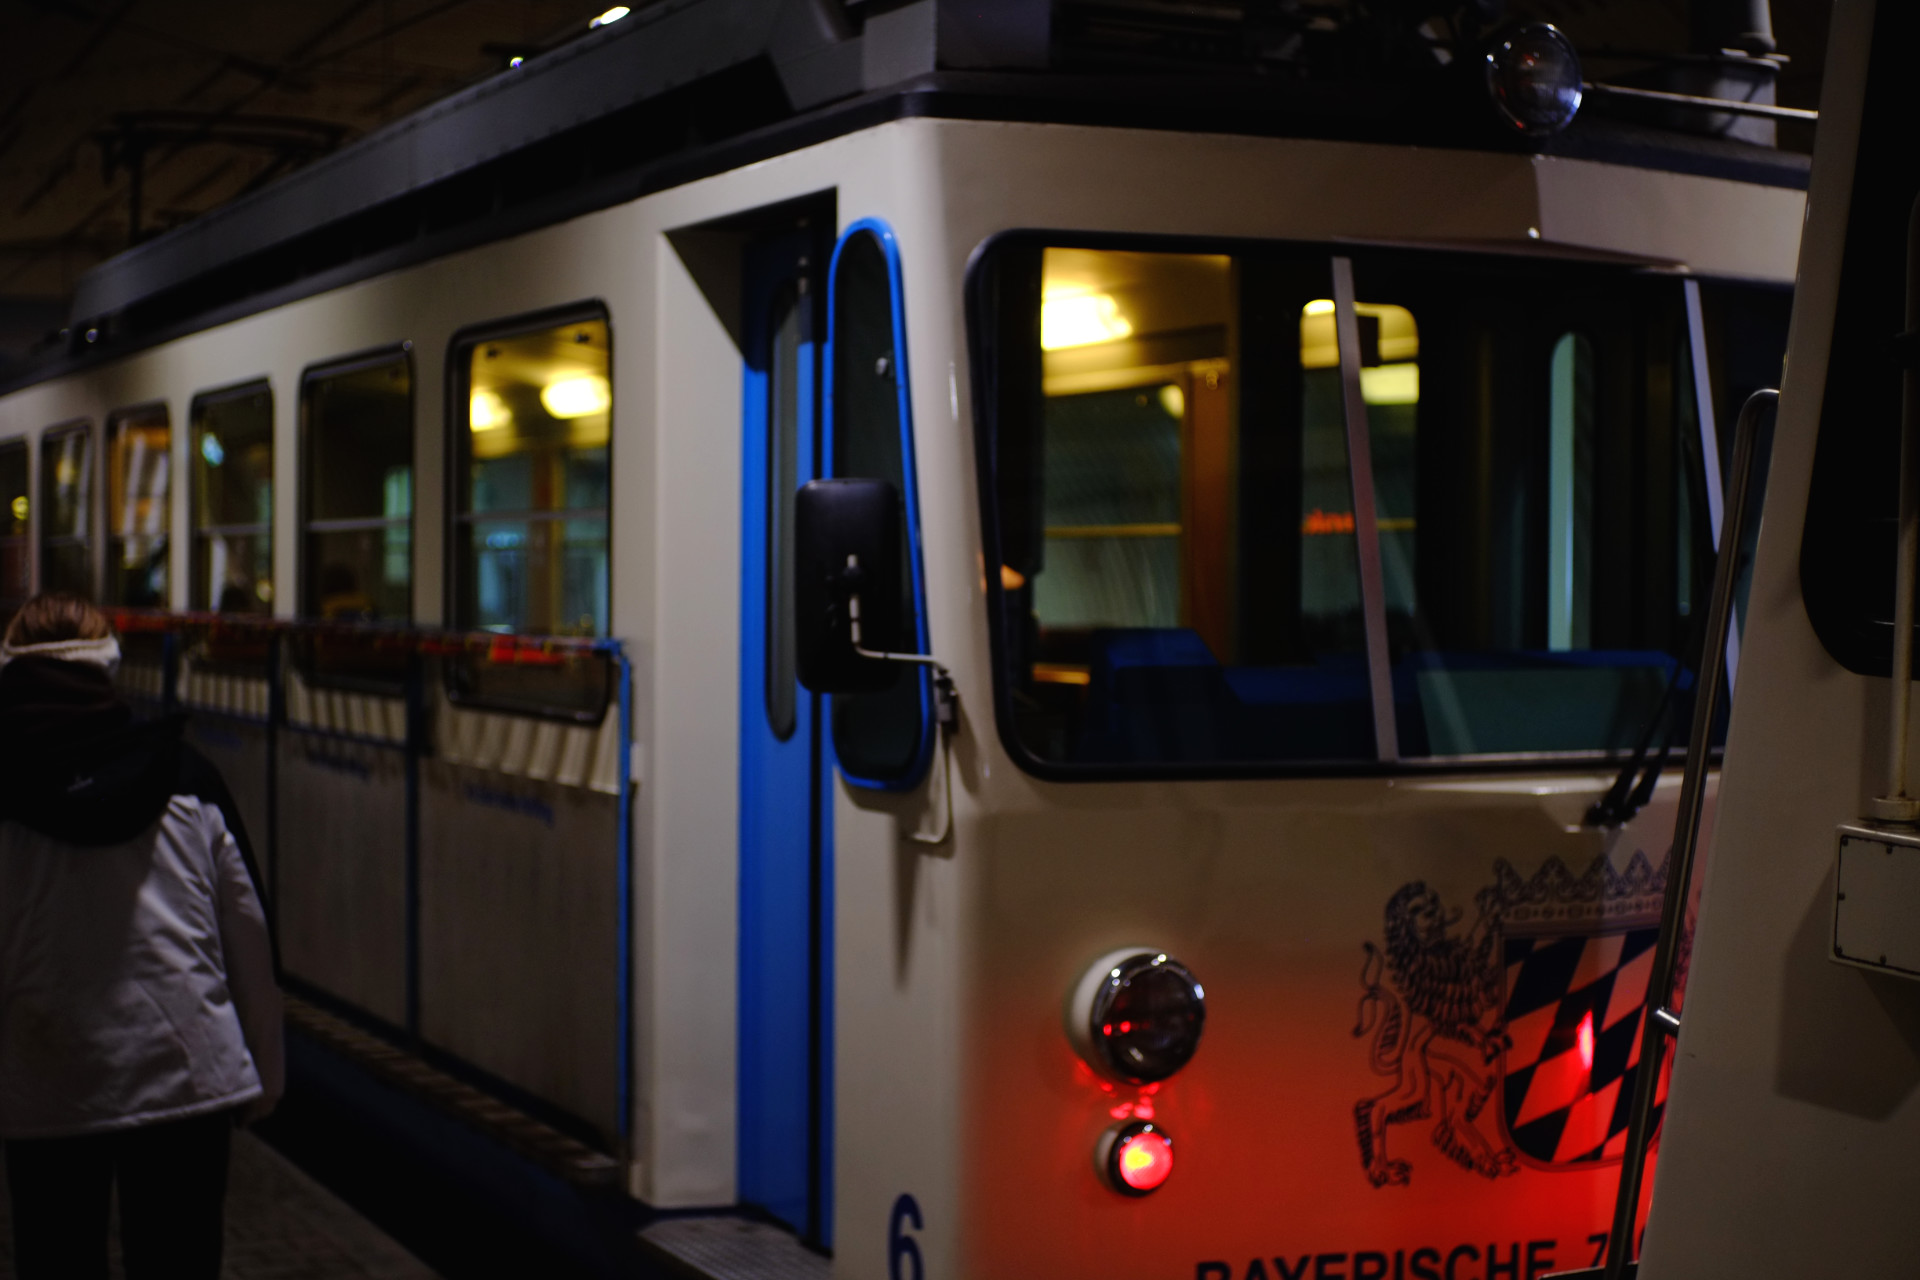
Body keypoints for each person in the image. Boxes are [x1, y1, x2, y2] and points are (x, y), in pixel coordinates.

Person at [0, 594, 282, 1280]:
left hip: (47, 1082)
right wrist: (264, 1078)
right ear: (110, 669)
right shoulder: (187, 779)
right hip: (189, 1077)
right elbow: (247, 934)